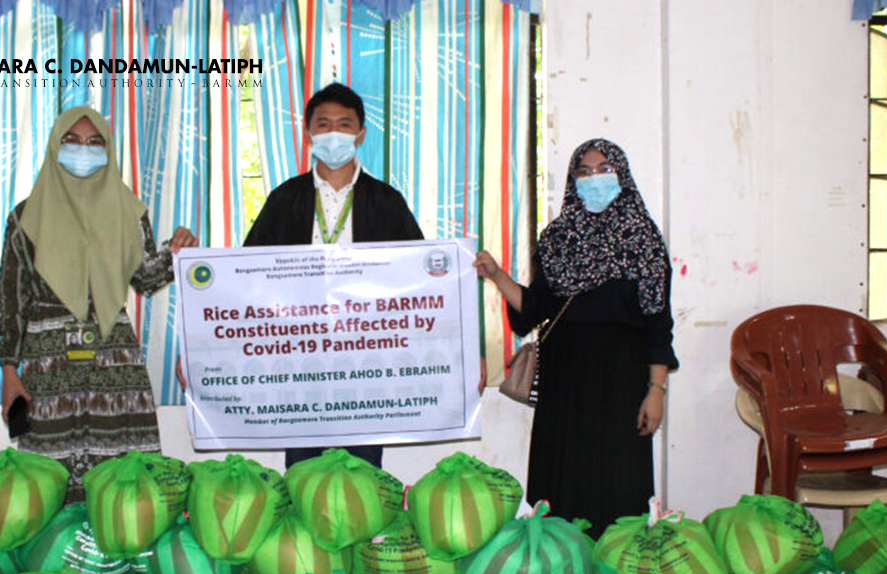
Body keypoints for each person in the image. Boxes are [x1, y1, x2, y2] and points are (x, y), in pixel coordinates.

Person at [0, 106, 198, 503]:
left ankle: (123, 553)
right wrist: (8, 370)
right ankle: (54, 559)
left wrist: (176, 254)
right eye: (71, 141)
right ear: (55, 146)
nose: (82, 151)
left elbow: (144, 278)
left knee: (123, 480)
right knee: (49, 479)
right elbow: (10, 297)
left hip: (113, 360)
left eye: (94, 143)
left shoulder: (128, 212)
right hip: (48, 365)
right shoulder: (25, 218)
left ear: (108, 151)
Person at [474, 138, 677, 535]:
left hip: (621, 379)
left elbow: (658, 322)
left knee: (618, 477)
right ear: (572, 181)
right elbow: (532, 310)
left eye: (604, 170)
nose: (594, 179)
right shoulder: (557, 240)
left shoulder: (644, 241)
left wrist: (657, 389)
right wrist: (497, 275)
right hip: (564, 379)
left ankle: (615, 563)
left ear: (622, 176)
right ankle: (563, 564)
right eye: (583, 172)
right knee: (562, 475)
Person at [243, 82, 424, 469]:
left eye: (344, 125)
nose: (334, 134)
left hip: (367, 353)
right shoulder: (284, 199)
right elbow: (245, 276)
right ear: (308, 132)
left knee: (361, 469)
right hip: (299, 351)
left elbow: (421, 281)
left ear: (360, 133)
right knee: (304, 468)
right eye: (323, 125)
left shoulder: (387, 201)